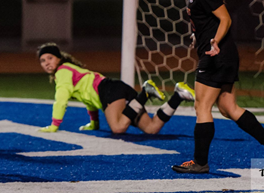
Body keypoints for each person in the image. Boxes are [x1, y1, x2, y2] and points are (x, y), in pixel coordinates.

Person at [171, 0, 264, 174]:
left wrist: (214, 42)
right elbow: (210, 20)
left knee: (201, 106)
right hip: (222, 55)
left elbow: (225, 18)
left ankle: (200, 162)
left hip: (216, 56)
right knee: (227, 107)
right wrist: (199, 36)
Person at [37, 42, 195, 134]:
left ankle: (145, 94)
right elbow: (87, 98)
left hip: (110, 91)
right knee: (151, 128)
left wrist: (54, 125)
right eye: (43, 61)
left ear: (59, 57)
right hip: (116, 89)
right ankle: (178, 95)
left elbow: (61, 100)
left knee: (118, 128)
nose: (47, 63)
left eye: (50, 58)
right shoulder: (70, 69)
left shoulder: (63, 72)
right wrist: (94, 122)